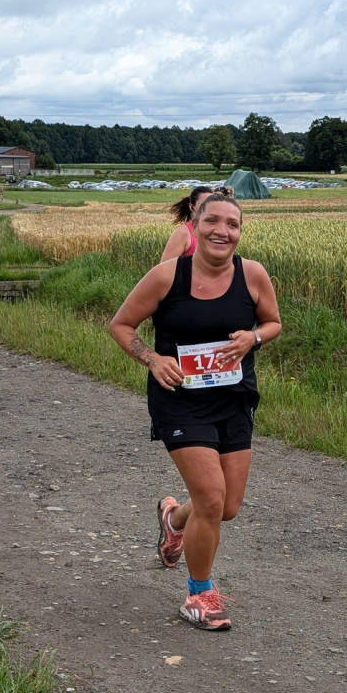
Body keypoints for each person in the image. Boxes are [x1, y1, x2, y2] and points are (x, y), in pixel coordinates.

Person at [108, 194, 281, 631]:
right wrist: (153, 359)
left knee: (227, 507)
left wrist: (253, 340)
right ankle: (199, 595)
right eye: (213, 221)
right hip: (180, 400)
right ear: (195, 225)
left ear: (240, 232)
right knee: (210, 498)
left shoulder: (253, 274)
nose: (222, 231)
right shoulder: (167, 277)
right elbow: (121, 325)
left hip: (234, 398)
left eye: (233, 224)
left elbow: (273, 323)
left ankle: (173, 520)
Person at [160, 186, 213, 263]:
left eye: (211, 203)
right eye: (203, 204)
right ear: (192, 207)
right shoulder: (183, 233)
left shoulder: (215, 231)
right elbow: (163, 268)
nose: (208, 207)